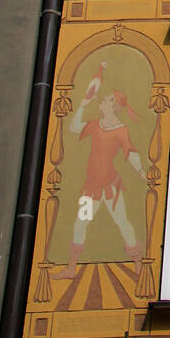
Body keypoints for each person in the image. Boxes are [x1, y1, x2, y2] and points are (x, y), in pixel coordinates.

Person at [54, 87, 147, 279]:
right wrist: (82, 104)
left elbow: (130, 154)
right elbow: (73, 127)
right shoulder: (96, 124)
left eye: (105, 100)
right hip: (91, 190)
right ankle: (72, 267)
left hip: (110, 189)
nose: (101, 102)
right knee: (80, 223)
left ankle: (138, 262)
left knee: (123, 222)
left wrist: (143, 174)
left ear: (113, 106)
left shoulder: (121, 130)